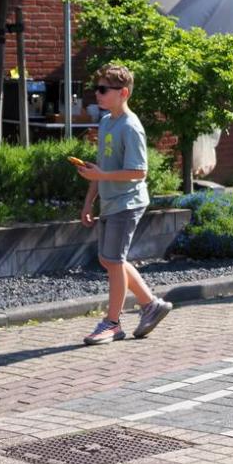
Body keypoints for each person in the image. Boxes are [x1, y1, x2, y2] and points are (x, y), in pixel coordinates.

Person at [77, 64, 172, 345]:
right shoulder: (107, 121)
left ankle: (112, 323)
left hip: (127, 203)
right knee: (108, 259)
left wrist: (102, 176)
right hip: (110, 203)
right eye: (97, 88)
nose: (98, 93)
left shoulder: (131, 127)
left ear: (123, 93)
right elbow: (102, 168)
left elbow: (139, 172)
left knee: (115, 261)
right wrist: (88, 202)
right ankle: (151, 305)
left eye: (103, 89)